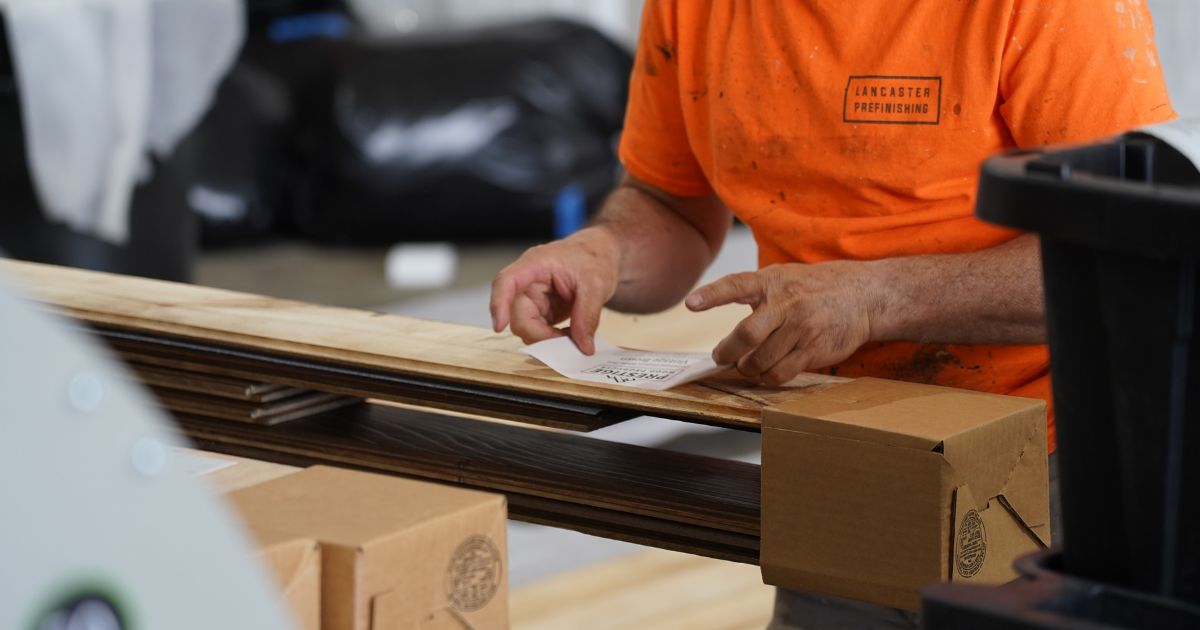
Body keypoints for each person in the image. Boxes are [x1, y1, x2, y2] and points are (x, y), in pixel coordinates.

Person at [490, 0, 1175, 626]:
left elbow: (1126, 259)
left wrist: (875, 300)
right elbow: (672, 202)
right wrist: (602, 253)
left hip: (1044, 458)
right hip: (832, 447)